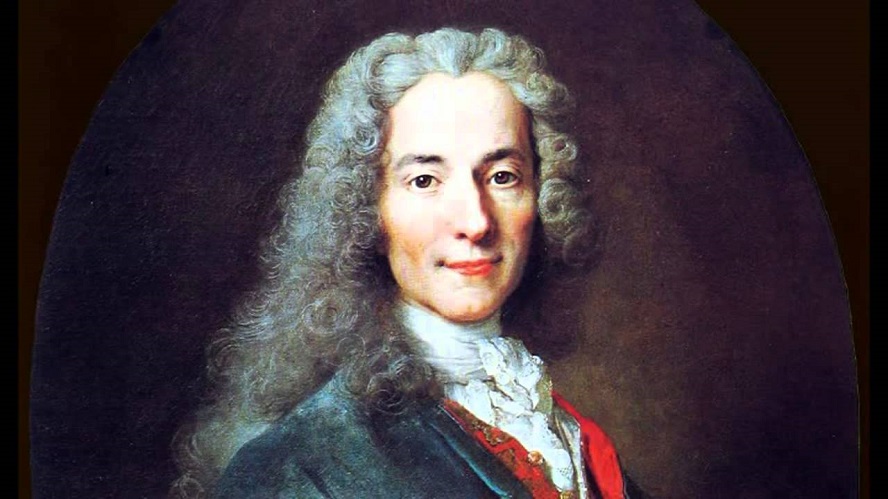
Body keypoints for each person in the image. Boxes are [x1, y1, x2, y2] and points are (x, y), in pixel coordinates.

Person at [171, 27, 645, 498]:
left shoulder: (564, 433)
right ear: (366, 211)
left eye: (502, 176)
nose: (476, 222)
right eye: (424, 181)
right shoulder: (297, 467)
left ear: (541, 196)